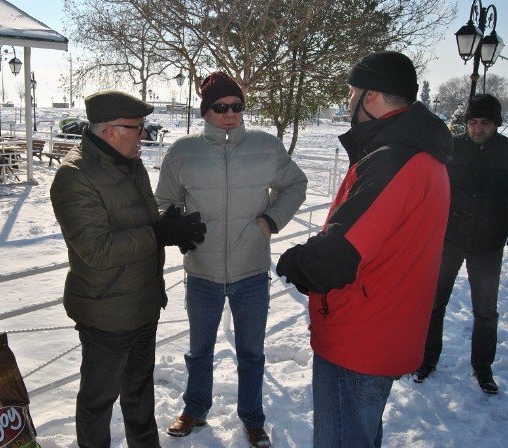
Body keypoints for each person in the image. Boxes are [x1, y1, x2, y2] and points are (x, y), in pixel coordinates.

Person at [275, 51, 452, 447]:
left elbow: (336, 258)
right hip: (384, 327)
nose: (349, 101)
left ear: (371, 96)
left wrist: (296, 261)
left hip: (360, 339)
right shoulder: (421, 153)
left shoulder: (396, 160)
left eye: (353, 92)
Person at [156, 72, 307, 448]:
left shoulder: (266, 146)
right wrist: (174, 224)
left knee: (252, 353)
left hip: (251, 270)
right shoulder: (182, 151)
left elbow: (296, 184)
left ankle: (253, 419)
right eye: (221, 107)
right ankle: (195, 409)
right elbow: (164, 201)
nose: (230, 114)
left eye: (237, 106)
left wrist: (271, 220)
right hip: (202, 270)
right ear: (206, 111)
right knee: (199, 349)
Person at [50, 90, 206, 448]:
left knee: (139, 394)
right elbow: (96, 250)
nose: (144, 135)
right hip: (106, 311)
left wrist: (170, 223)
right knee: (98, 400)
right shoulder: (74, 176)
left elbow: (137, 220)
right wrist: (159, 233)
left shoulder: (128, 161)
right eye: (137, 128)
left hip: (142, 301)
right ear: (110, 131)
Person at [414, 94, 508, 394]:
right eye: (473, 122)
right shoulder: (451, 147)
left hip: (488, 246)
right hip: (449, 239)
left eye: (485, 123)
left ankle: (483, 368)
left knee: (486, 311)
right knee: (434, 302)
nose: (478, 129)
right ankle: (427, 359)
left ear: (496, 124)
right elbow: (432, 187)